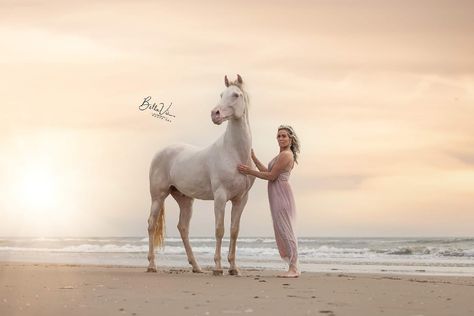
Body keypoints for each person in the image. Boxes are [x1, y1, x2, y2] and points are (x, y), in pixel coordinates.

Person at [237, 125, 301, 277]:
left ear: (290, 139)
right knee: (281, 228)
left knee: (286, 229)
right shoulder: (281, 155)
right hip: (275, 192)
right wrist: (253, 159)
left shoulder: (286, 155)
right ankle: (292, 267)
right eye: (278, 136)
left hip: (281, 193)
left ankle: (294, 268)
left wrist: (249, 171)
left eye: (284, 136)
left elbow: (271, 177)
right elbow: (268, 171)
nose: (280, 138)